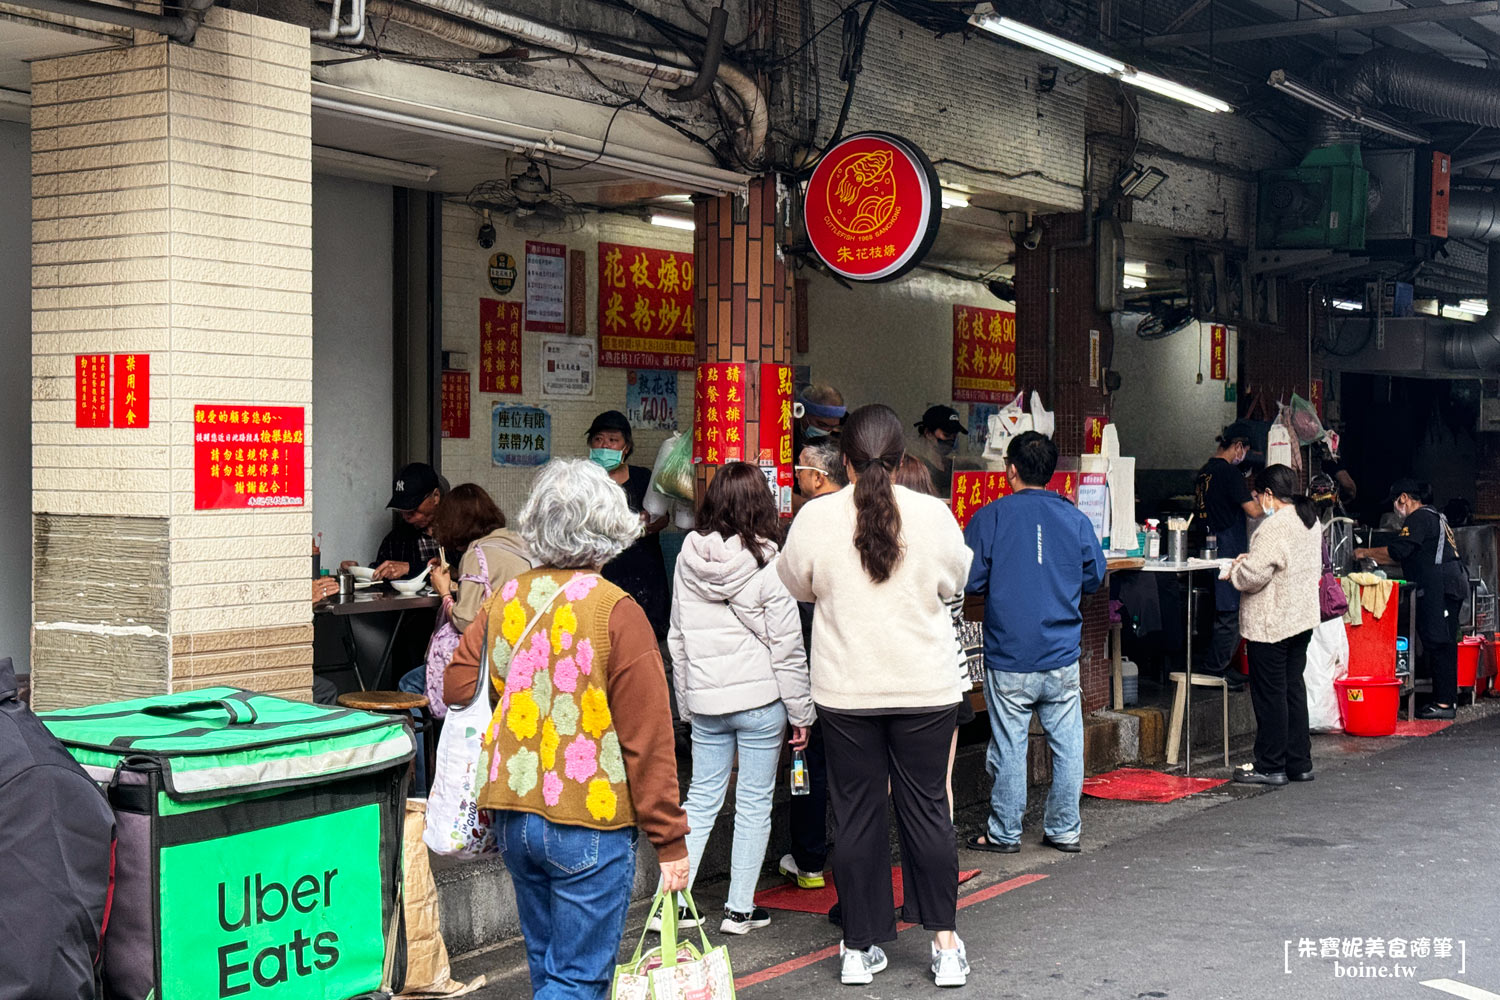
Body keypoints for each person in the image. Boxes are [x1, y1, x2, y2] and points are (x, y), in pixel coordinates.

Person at [443, 459, 689, 1000]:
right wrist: (669, 840)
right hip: (588, 818)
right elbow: (647, 739)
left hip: (512, 812)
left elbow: (457, 686)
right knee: (578, 980)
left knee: (549, 968)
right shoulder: (616, 611)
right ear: (608, 527)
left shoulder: (505, 598)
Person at [779, 404, 974, 988]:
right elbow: (956, 581)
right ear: (899, 458)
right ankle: (943, 945)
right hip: (925, 687)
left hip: (846, 690)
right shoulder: (934, 514)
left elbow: (796, 583)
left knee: (856, 816)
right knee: (928, 811)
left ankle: (858, 949)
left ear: (844, 459)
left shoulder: (815, 517)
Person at [667, 462, 814, 935]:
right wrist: (801, 712)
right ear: (760, 505)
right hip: (760, 702)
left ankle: (673, 904)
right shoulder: (771, 563)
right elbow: (788, 647)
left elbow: (678, 640)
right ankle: (738, 910)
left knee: (702, 797)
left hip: (708, 701)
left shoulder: (687, 558)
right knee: (753, 803)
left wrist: (687, 705)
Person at [963, 431, 1104, 855]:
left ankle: (1004, 832)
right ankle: (1064, 830)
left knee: (1010, 745)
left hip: (1010, 655)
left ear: (1011, 470)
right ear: (1052, 473)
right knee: (1068, 745)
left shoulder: (990, 518)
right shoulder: (1075, 518)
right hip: (1061, 654)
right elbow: (1094, 575)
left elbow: (969, 579)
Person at [395, 484, 532, 790]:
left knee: (410, 686)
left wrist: (445, 590)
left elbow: (465, 622)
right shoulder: (517, 544)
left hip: (485, 661)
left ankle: (424, 788)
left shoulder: (477, 553)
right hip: (518, 653)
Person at [778, 435, 846, 895]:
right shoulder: (861, 511)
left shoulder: (810, 518)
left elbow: (793, 590)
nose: (794, 474)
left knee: (808, 761)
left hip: (813, 657)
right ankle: (846, 858)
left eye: (800, 467)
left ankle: (809, 860)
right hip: (852, 663)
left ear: (818, 476)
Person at [892, 455, 979, 819]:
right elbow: (955, 607)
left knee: (885, 782)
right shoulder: (945, 541)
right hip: (945, 676)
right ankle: (943, 860)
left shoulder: (877, 544)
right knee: (937, 784)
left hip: (890, 676)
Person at [1227, 465, 1323, 785]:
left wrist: (1236, 570)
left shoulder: (1273, 527)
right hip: (1301, 618)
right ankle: (1299, 761)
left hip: (1272, 622)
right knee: (1292, 688)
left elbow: (1254, 576)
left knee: (1270, 694)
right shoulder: (1309, 519)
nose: (1258, 501)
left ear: (1268, 494)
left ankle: (1270, 765)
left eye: (1258, 495)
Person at [1355, 479, 1466, 720]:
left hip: (1442, 586)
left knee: (1439, 642)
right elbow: (1410, 553)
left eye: (1396, 501)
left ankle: (1445, 703)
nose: (1395, 507)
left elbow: (1399, 551)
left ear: (1404, 498)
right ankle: (1445, 700)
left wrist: (1364, 552)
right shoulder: (1435, 516)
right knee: (1442, 641)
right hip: (1449, 583)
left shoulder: (1419, 518)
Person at [1193, 422, 1264, 689]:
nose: (1243, 455)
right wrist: (1272, 503)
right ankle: (1214, 670)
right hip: (1226, 548)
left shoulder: (1204, 472)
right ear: (1237, 447)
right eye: (1244, 449)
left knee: (1218, 611)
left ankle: (1220, 666)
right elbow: (1254, 512)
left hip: (1206, 547)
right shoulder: (1229, 474)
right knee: (1229, 612)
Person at [587, 410, 670, 639]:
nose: (604, 445)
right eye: (598, 439)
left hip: (645, 573)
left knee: (645, 636)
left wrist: (652, 524)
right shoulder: (585, 482)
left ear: (626, 448)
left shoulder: (643, 478)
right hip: (602, 572)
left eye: (613, 440)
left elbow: (664, 516)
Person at [347, 462, 447, 581]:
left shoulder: (459, 532)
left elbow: (463, 569)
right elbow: (380, 574)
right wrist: (358, 573)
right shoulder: (396, 540)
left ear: (435, 497)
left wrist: (410, 568)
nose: (406, 517)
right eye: (402, 510)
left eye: (413, 509)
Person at [908, 405, 967, 499]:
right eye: (946, 434)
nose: (951, 439)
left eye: (955, 435)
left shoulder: (953, 466)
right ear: (928, 433)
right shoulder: (917, 468)